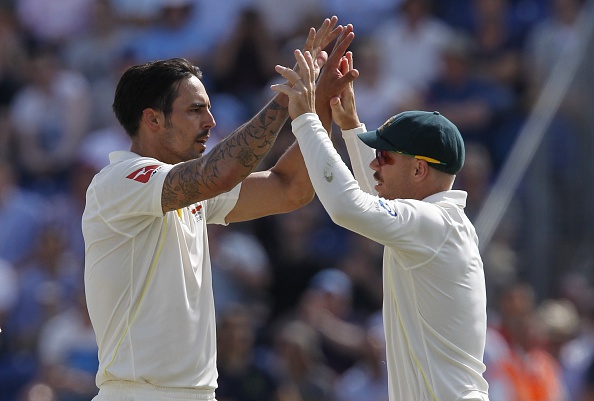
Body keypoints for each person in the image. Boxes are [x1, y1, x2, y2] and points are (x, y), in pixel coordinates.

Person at [82, 17, 356, 401]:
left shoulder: (189, 187)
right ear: (153, 119)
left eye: (209, 109)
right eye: (195, 110)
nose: (211, 122)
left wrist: (316, 108)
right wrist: (286, 98)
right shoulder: (120, 181)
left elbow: (290, 189)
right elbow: (220, 173)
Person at [271, 48, 490, 400]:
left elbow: (348, 208)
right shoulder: (437, 221)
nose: (375, 165)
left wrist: (307, 121)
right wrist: (349, 125)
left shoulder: (433, 223)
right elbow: (369, 197)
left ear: (419, 169)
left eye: (384, 157)